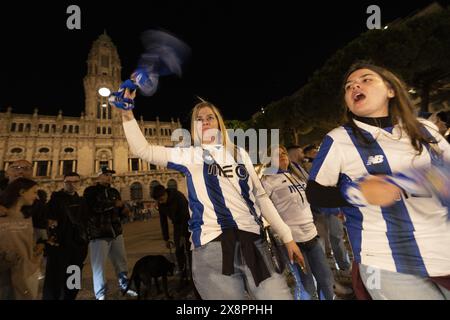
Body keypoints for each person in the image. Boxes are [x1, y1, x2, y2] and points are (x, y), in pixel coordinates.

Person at [120, 94, 305, 300]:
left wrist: (287, 237)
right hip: (212, 247)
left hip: (253, 243)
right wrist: (127, 114)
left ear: (219, 123)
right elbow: (143, 150)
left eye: (210, 117)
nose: (205, 121)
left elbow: (260, 196)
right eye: (199, 119)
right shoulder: (189, 155)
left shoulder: (239, 154)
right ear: (194, 127)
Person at [305, 61, 450, 299]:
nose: (355, 87)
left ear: (391, 90)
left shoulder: (425, 128)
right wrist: (357, 194)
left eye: (366, 80)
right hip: (384, 261)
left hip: (444, 249)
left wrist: (434, 180)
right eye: (349, 86)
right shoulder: (338, 139)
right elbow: (315, 193)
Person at [262, 145, 352, 299]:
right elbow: (264, 209)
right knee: (307, 285)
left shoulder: (297, 173)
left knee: (326, 279)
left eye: (284, 152)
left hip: (311, 235)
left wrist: (334, 210)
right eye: (277, 154)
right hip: (291, 241)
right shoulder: (268, 181)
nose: (282, 155)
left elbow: (312, 199)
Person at [83, 167, 136, 300]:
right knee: (99, 266)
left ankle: (124, 285)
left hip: (116, 233)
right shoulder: (90, 191)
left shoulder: (113, 191)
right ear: (98, 176)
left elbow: (118, 212)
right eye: (105, 175)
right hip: (99, 234)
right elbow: (94, 208)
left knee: (121, 261)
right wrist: (114, 204)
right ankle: (100, 294)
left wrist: (124, 211)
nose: (109, 177)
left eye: (110, 175)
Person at [42, 172, 89, 300]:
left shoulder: (82, 201)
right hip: (59, 248)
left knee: (73, 280)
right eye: (68, 182)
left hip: (77, 248)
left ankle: (70, 298)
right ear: (63, 183)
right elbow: (47, 221)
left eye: (75, 182)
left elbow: (86, 221)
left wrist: (84, 242)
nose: (71, 185)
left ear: (79, 183)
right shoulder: (55, 200)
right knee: (55, 280)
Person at [0, 178, 41, 299]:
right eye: (34, 192)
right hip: (4, 274)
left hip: (26, 273)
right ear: (22, 192)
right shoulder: (3, 214)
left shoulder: (28, 215)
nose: (36, 196)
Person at [151, 185, 191, 284]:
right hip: (177, 226)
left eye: (161, 199)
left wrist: (183, 235)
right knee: (178, 251)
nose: (160, 202)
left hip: (189, 224)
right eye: (158, 201)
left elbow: (185, 215)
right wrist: (166, 238)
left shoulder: (178, 196)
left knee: (190, 250)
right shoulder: (160, 203)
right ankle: (183, 274)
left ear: (165, 194)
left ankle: (194, 274)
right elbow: (163, 221)